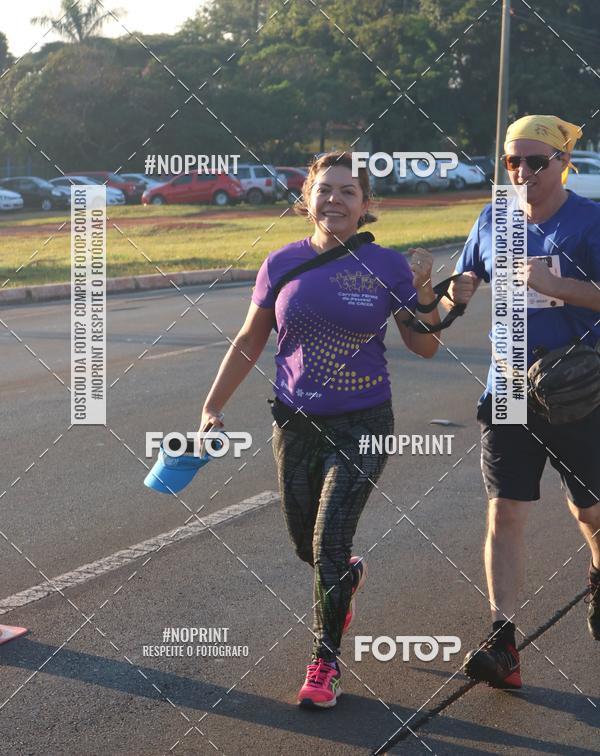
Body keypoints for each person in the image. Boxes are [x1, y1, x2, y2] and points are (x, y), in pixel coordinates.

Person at [199, 151, 443, 708]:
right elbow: (248, 340)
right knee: (308, 548)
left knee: (330, 541)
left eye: (348, 192)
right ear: (306, 197)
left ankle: (324, 663)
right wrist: (212, 406)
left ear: (366, 206)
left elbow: (425, 344)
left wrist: (426, 291)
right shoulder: (280, 262)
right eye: (325, 189)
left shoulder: (387, 266)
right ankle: (344, 579)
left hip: (364, 421)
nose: (335, 199)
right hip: (295, 422)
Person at [448, 115, 600, 690]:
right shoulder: (496, 218)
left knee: (589, 511)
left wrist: (559, 286)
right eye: (511, 161)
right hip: (509, 385)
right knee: (505, 510)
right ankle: (502, 638)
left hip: (575, 389)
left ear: (564, 163)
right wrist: (454, 291)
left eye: (534, 161)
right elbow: (463, 282)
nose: (520, 172)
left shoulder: (590, 222)